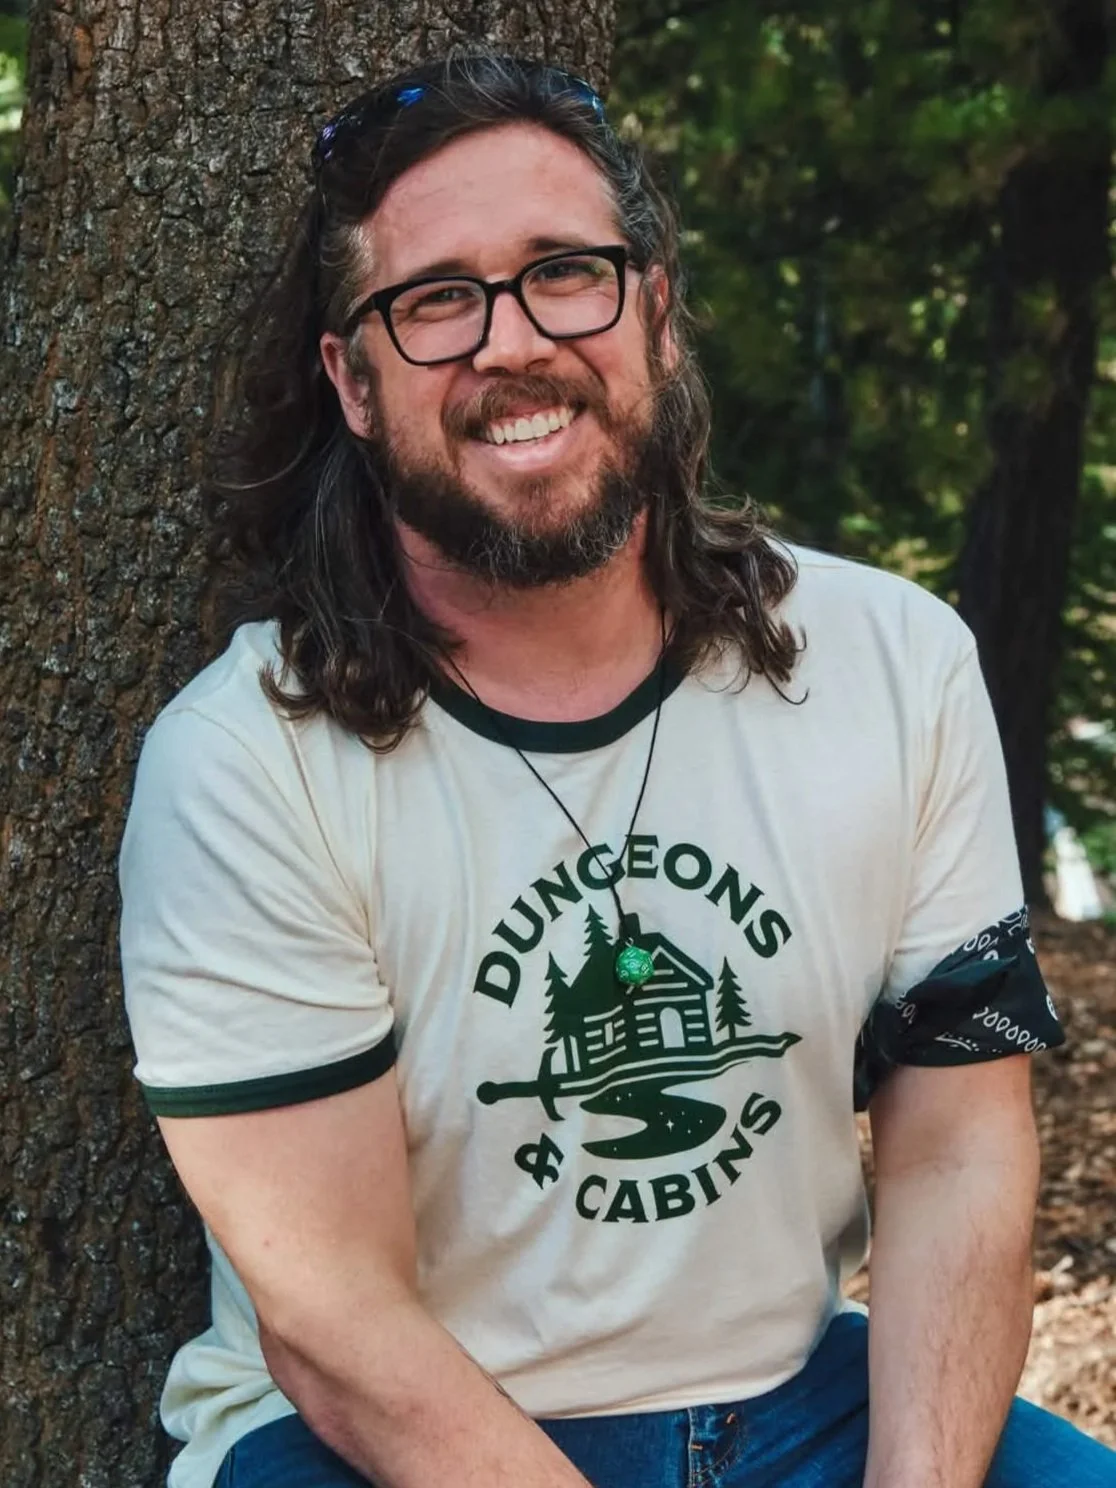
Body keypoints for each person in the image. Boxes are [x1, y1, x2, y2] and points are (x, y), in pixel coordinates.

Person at [119, 53, 1115, 1488]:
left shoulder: (894, 662)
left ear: (653, 311)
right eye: (435, 300)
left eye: (565, 273)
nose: (512, 342)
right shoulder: (244, 764)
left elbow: (960, 1146)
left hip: (804, 1407)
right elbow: (338, 1328)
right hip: (381, 1441)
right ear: (352, 381)